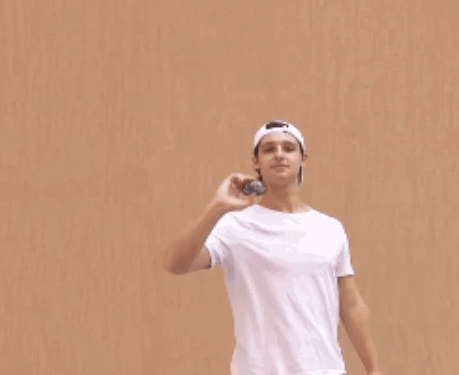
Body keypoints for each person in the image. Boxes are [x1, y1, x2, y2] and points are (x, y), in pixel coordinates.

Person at [162, 120, 382, 375]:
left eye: (288, 148)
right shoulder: (234, 225)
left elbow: (351, 305)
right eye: (269, 149)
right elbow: (175, 264)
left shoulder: (330, 228)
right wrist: (217, 207)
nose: (279, 154)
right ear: (256, 161)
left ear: (303, 158)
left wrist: (373, 368)